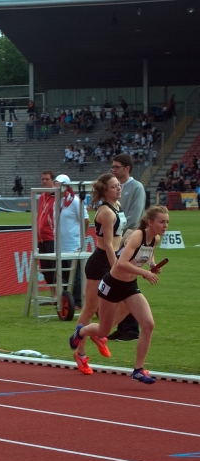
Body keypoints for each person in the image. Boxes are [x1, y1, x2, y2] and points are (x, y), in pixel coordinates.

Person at [70, 206, 169, 384]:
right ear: (150, 222)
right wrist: (144, 273)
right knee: (103, 330)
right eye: (162, 222)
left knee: (148, 324)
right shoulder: (137, 236)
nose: (165, 225)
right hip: (112, 285)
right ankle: (81, 331)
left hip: (130, 286)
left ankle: (138, 370)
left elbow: (148, 257)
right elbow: (121, 263)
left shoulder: (155, 239)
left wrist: (153, 266)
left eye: (167, 222)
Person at [73, 173, 124, 374]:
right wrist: (116, 268)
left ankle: (100, 333)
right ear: (105, 191)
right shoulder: (106, 212)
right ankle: (81, 353)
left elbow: (120, 239)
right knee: (89, 308)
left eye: (119, 185)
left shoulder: (118, 207)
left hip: (114, 261)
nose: (118, 188)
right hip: (102, 263)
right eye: (114, 186)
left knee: (127, 304)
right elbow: (110, 246)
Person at [109, 153, 146, 341]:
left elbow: (134, 217)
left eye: (116, 167)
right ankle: (123, 328)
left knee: (128, 284)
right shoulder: (114, 188)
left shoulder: (136, 188)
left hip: (129, 241)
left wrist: (119, 235)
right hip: (116, 241)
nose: (113, 169)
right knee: (119, 285)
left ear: (127, 168)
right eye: (112, 167)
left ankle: (131, 329)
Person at [54, 174, 89, 309]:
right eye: (56, 183)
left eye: (60, 184)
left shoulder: (75, 201)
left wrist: (81, 236)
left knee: (76, 275)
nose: (57, 186)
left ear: (67, 186)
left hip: (73, 245)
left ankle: (78, 301)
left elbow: (86, 220)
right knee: (63, 275)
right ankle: (66, 301)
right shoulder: (56, 202)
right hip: (60, 245)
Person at [37, 171, 58, 298]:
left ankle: (58, 295)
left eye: (47, 179)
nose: (44, 181)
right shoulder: (41, 197)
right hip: (41, 237)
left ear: (53, 181)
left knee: (54, 267)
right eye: (42, 179)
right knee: (45, 268)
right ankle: (53, 294)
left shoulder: (57, 197)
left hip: (51, 236)